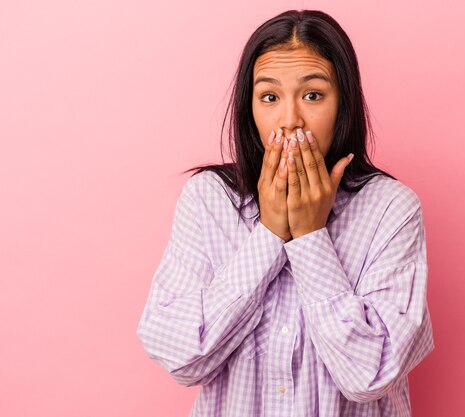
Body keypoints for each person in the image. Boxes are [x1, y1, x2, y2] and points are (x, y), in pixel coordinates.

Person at [136, 9, 434, 417]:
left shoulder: (391, 209)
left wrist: (311, 238)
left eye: (313, 95)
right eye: (270, 97)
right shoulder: (209, 200)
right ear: (250, 109)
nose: (290, 120)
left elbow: (370, 376)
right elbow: (181, 357)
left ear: (343, 103)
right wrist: (270, 233)